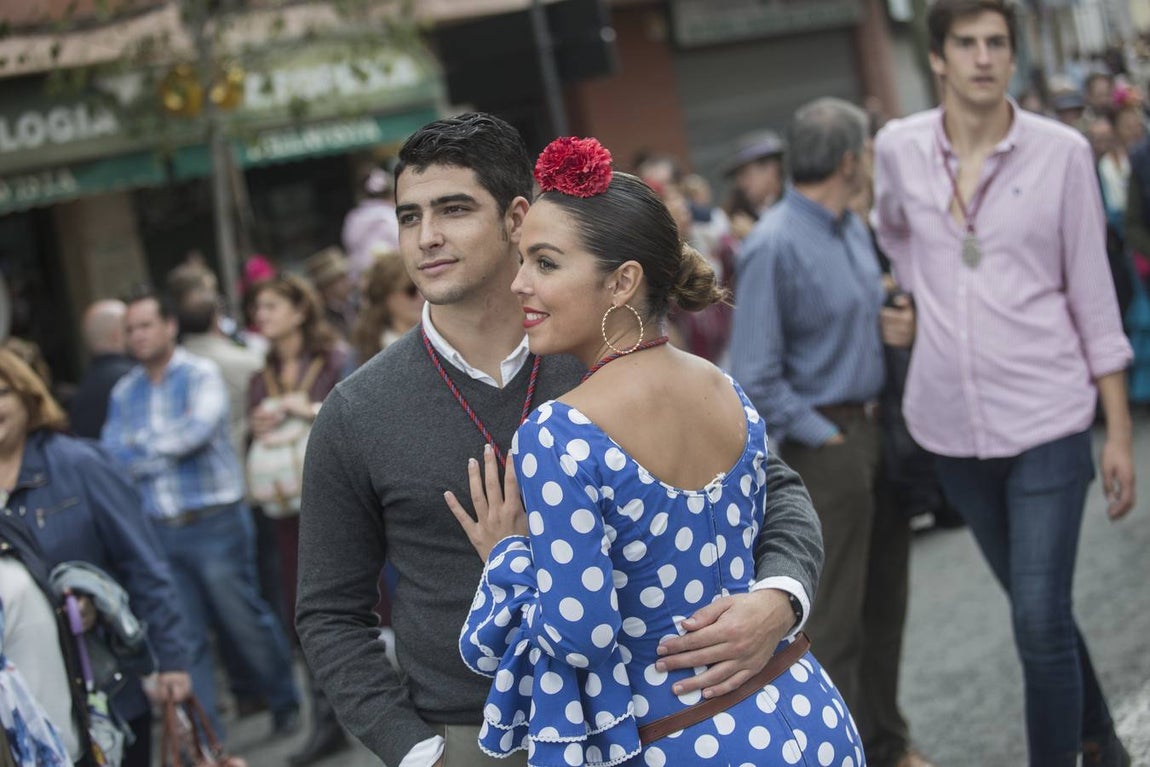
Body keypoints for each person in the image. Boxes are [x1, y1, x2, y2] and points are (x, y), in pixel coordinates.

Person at [296, 113, 824, 767]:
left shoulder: (608, 346)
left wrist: (779, 598)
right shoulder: (355, 409)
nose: (426, 237)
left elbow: (774, 488)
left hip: (650, 721)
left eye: (453, 209)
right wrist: (415, 750)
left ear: (519, 217)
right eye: (408, 217)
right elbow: (328, 610)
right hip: (478, 735)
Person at [446, 136, 860, 767]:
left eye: (546, 263)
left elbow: (581, 635)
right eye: (523, 260)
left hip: (689, 737)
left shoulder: (556, 433)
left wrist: (507, 558)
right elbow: (773, 503)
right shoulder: (722, 384)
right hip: (808, 710)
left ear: (623, 282)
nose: (518, 283)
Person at [872, 2, 1135, 765]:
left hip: (1050, 416)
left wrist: (1116, 432)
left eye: (998, 43)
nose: (984, 57)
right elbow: (892, 232)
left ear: (1012, 56)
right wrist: (911, 299)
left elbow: (1093, 293)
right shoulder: (898, 148)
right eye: (967, 43)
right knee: (1035, 607)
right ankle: (1103, 742)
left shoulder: (1061, 154)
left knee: (1038, 622)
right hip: (950, 425)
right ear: (938, 59)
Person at [729, 98, 931, 767]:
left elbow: (853, 315)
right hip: (826, 448)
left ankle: (888, 743)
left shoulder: (851, 226)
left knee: (887, 607)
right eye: (866, 152)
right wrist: (823, 433)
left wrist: (888, 322)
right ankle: (834, 753)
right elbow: (754, 371)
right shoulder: (773, 242)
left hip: (878, 431)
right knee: (835, 622)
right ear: (850, 161)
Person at [100, 287, 300, 738]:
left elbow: (194, 432)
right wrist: (155, 447)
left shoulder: (200, 373)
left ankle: (285, 696)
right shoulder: (123, 392)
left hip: (215, 522)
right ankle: (210, 741)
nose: (138, 335)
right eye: (130, 329)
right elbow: (112, 453)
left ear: (170, 326)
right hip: (158, 530)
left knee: (242, 619)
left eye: (147, 325)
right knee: (184, 638)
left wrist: (141, 449)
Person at [0, 348, 193, 767]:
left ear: (28, 396)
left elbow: (144, 564)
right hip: (23, 711)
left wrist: (171, 661)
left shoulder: (80, 463)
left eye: (0, 393)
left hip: (107, 692)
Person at [246, 273, 349, 764]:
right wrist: (258, 423)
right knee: (305, 610)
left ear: (299, 311)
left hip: (342, 503)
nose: (261, 317)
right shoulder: (256, 376)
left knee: (368, 604)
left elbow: (355, 415)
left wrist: (303, 407)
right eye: (257, 309)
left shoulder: (333, 361)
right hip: (287, 511)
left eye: (270, 306)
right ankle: (326, 719)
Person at [68, 300, 135, 440]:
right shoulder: (133, 379)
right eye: (130, 329)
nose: (137, 336)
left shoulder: (83, 388)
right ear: (117, 336)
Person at [350, 250, 425, 364]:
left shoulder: (444, 339)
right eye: (411, 290)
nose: (422, 296)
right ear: (386, 297)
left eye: (423, 287)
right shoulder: (363, 355)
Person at [342, 166, 401, 283]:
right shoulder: (390, 216)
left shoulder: (354, 217)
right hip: (391, 277)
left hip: (361, 279)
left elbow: (349, 245)